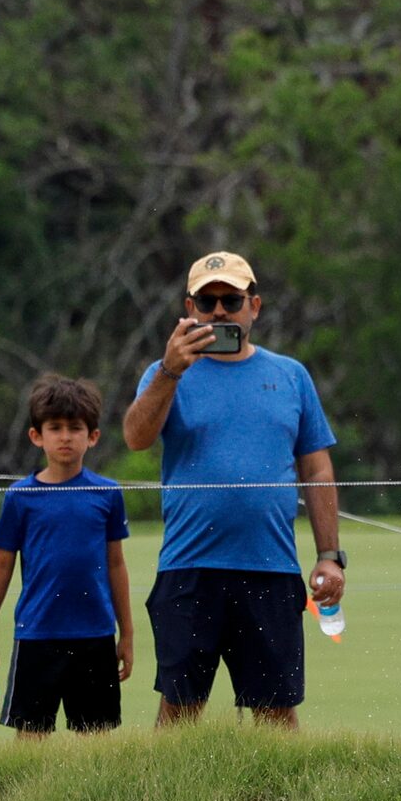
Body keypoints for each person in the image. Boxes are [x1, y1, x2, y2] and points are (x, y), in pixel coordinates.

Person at [120, 251, 345, 729]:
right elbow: (136, 437)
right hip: (188, 568)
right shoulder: (164, 373)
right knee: (179, 710)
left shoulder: (290, 376)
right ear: (189, 307)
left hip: (270, 568)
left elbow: (318, 469)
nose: (219, 312)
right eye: (207, 302)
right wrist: (170, 369)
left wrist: (330, 555)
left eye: (231, 300)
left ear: (254, 307)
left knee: (275, 712)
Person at [0, 375, 133, 735]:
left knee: (98, 740)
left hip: (95, 634)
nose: (64, 436)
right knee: (30, 736)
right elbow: (1, 566)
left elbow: (116, 564)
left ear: (92, 437)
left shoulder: (107, 494)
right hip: (38, 633)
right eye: (55, 427)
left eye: (75, 428)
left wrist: (127, 634)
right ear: (36, 436)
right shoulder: (20, 497)